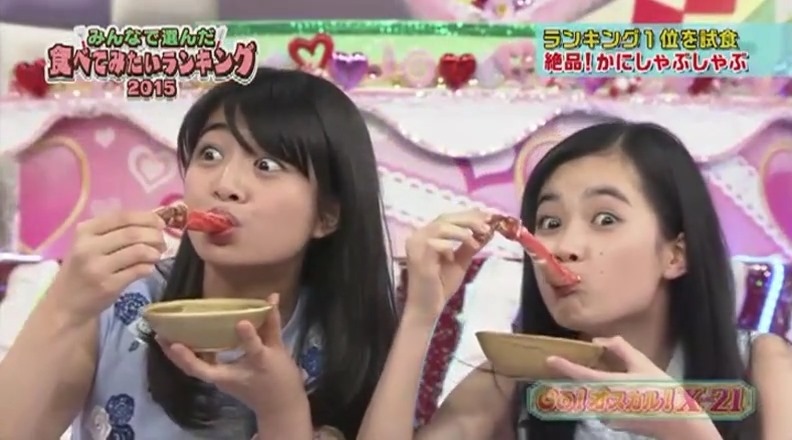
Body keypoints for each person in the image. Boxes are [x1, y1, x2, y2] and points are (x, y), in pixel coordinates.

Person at [0, 67, 398, 440]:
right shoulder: (122, 301)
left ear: (327, 216)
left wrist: (283, 410)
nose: (224, 185)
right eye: (210, 154)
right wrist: (63, 306)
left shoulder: (345, 339)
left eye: (266, 165)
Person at [358, 121, 792, 440]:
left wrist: (687, 429)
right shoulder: (512, 377)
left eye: (605, 219)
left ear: (676, 254)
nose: (564, 246)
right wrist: (421, 314)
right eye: (549, 222)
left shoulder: (760, 366)